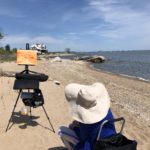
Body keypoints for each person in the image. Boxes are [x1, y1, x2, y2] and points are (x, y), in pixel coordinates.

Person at [58, 82, 116, 150]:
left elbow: (83, 137)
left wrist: (74, 128)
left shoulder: (86, 122)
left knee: (61, 130)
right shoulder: (106, 110)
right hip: (110, 141)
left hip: (92, 146)